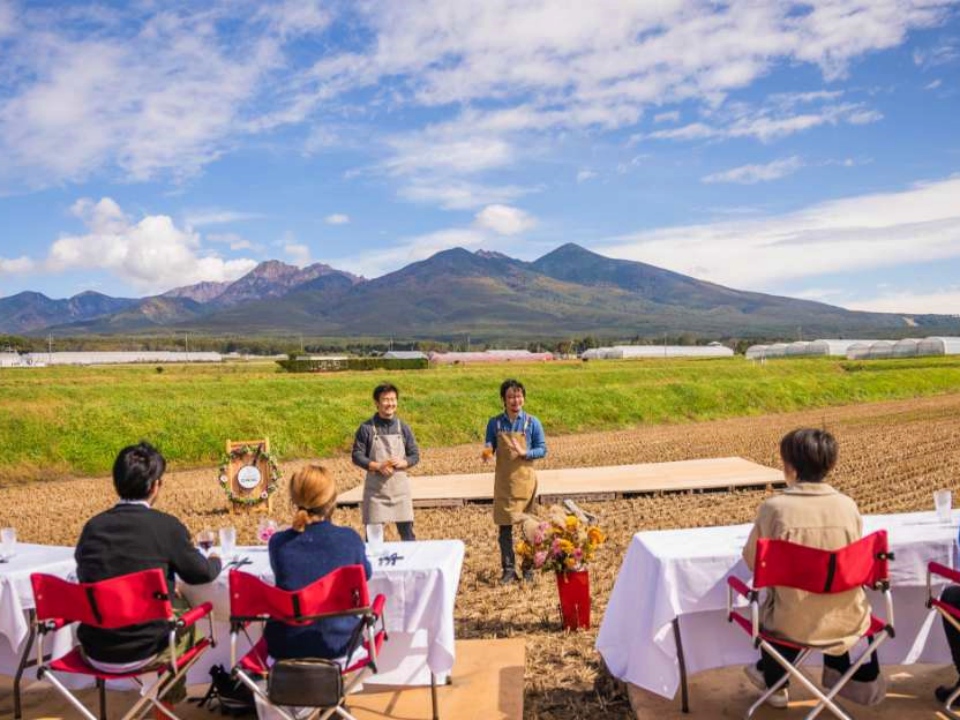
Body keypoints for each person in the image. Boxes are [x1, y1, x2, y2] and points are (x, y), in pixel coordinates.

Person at [741, 428, 883, 709]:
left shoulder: (774, 509)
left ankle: (776, 683)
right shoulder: (848, 507)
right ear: (830, 464)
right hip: (849, 621)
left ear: (790, 466)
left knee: (782, 607)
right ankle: (830, 674)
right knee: (814, 600)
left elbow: (752, 561)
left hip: (791, 626)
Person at [75, 441, 222, 706]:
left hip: (95, 650)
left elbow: (89, 575)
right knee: (182, 620)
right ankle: (164, 706)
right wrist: (215, 558)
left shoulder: (92, 529)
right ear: (155, 485)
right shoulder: (166, 527)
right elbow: (201, 574)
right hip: (149, 650)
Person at [264, 465, 372, 660]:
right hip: (339, 646)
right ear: (332, 500)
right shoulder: (349, 539)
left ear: (294, 499)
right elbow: (366, 574)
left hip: (285, 648)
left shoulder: (278, 543)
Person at [482, 378, 547, 584]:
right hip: (503, 483)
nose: (515, 400)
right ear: (503, 400)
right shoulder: (495, 423)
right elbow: (489, 444)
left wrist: (525, 452)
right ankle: (508, 570)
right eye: (510, 396)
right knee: (505, 529)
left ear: (524, 399)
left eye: (518, 396)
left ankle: (528, 569)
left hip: (525, 482)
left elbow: (542, 449)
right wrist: (487, 453)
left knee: (528, 528)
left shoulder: (532, 422)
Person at [352, 382, 420, 542]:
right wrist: (377, 466)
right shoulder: (366, 428)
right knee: (373, 539)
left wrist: (405, 462)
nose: (390, 403)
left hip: (400, 491)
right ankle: (372, 566)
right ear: (377, 403)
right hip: (376, 493)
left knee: (408, 536)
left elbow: (415, 454)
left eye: (393, 399)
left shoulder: (403, 427)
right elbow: (356, 455)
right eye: (386, 400)